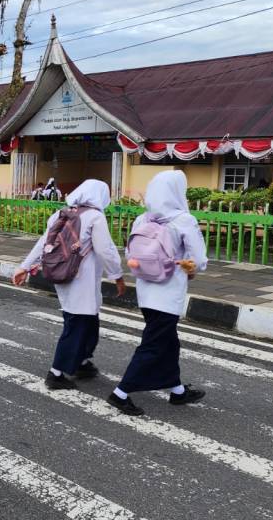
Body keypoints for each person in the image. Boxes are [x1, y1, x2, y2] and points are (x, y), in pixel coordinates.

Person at [107, 171, 208, 416]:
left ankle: (177, 391)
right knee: (153, 345)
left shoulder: (142, 220)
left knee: (168, 342)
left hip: (145, 291)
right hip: (169, 293)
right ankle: (120, 393)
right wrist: (189, 267)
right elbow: (200, 261)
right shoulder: (184, 220)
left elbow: (130, 252)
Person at [14, 180, 126, 390]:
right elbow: (105, 250)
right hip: (81, 280)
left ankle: (82, 362)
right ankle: (56, 374)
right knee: (76, 326)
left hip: (62, 274)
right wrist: (117, 276)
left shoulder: (60, 214)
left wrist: (25, 267)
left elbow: (43, 243)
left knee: (87, 322)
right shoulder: (95, 217)